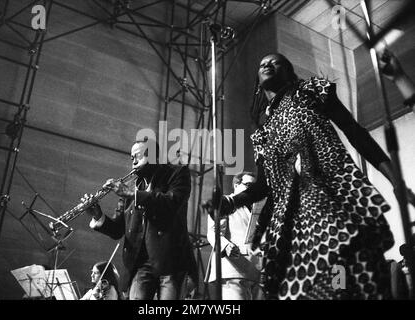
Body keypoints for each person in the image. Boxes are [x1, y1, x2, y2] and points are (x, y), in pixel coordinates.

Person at [216, 53, 415, 300]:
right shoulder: (262, 135)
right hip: (291, 220)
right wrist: (231, 202)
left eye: (274, 61)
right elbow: (264, 186)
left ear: (288, 71)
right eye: (261, 63)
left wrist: (395, 180)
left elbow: (355, 132)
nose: (266, 64)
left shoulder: (311, 92)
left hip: (327, 201)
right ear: (257, 82)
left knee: (338, 271)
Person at [82, 139, 196, 300]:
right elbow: (117, 229)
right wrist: (97, 215)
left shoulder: (177, 173)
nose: (133, 161)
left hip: (171, 261)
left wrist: (132, 194)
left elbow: (172, 202)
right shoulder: (132, 186)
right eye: (131, 158)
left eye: (138, 156)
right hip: (140, 264)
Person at [205, 172, 262, 300]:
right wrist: (226, 246)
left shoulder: (258, 208)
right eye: (248, 185)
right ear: (236, 185)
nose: (251, 190)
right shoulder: (226, 202)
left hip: (256, 272)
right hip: (233, 270)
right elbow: (213, 232)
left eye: (254, 188)